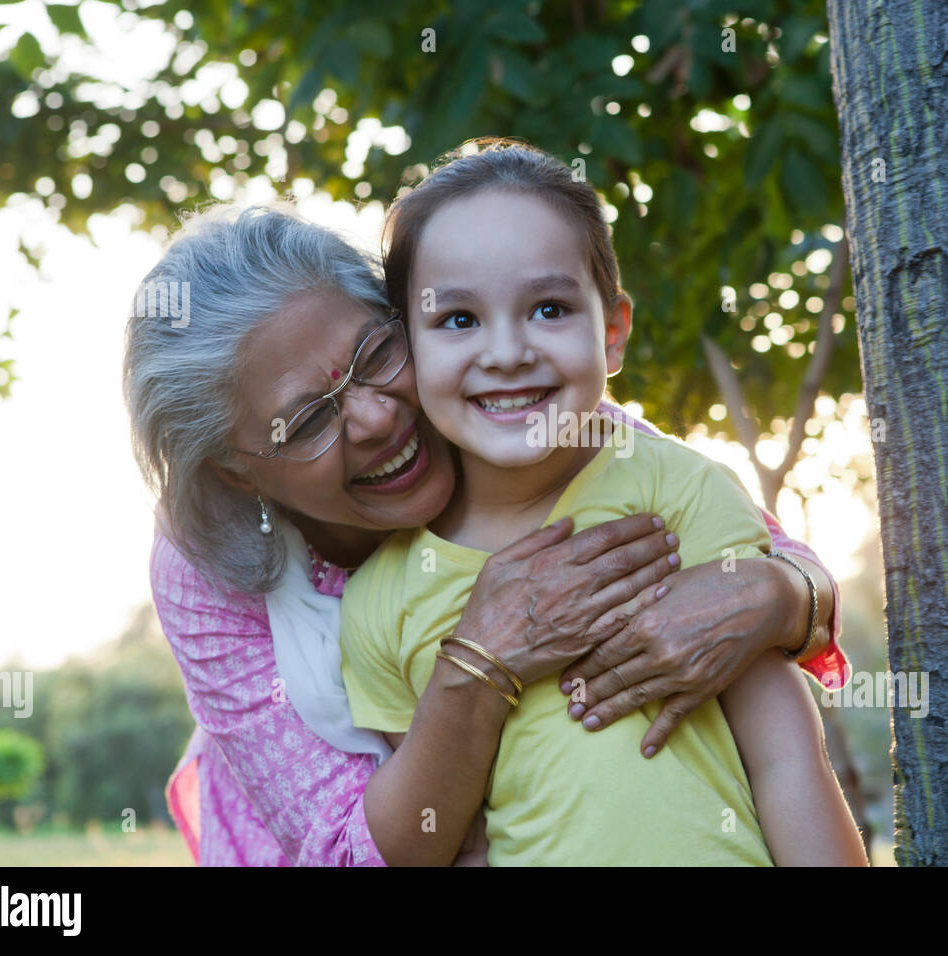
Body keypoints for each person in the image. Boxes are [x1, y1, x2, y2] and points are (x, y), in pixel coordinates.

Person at [124, 199, 851, 866]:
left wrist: (782, 596)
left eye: (378, 355)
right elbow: (348, 854)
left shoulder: (510, 422)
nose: (377, 419)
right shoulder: (201, 565)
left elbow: (725, 527)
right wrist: (481, 660)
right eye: (310, 420)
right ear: (237, 474)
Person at [340, 139, 866, 866]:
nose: (507, 352)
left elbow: (787, 760)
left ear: (612, 332)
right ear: (408, 348)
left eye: (548, 308)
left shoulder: (679, 492)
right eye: (458, 319)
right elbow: (447, 840)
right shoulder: (381, 599)